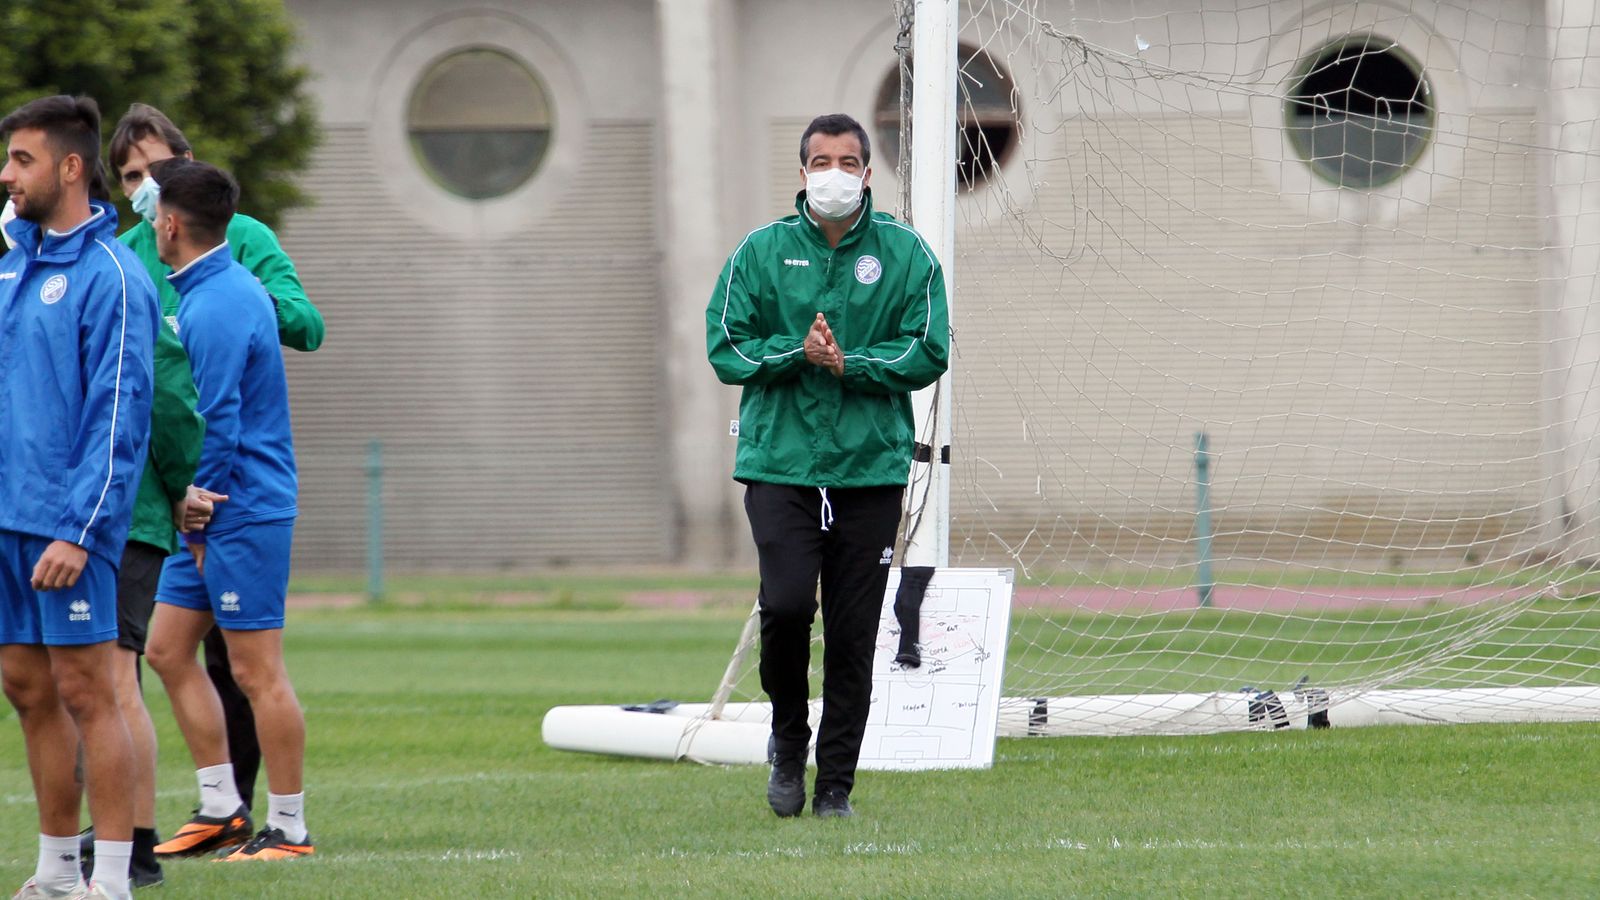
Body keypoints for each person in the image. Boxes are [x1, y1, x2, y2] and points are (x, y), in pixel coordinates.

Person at [705, 113, 950, 818]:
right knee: (784, 607)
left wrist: (852, 364)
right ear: (802, 172)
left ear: (869, 174)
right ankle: (788, 738)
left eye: (848, 161)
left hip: (869, 470)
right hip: (779, 465)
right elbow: (726, 343)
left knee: (851, 635)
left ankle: (834, 787)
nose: (834, 173)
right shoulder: (760, 251)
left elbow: (928, 348)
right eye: (822, 161)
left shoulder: (908, 256)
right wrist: (796, 353)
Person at [106, 103, 323, 845]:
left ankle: (289, 828)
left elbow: (218, 417)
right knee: (167, 650)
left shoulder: (220, 300)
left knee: (257, 671)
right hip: (207, 505)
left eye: (151, 195)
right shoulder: (200, 289)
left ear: (168, 223)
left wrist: (194, 504)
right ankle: (221, 807)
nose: (142, 206)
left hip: (239, 504)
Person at [0, 94, 160, 900]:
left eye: (21, 159)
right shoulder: (9, 263)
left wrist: (81, 530)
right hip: (6, 523)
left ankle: (114, 879)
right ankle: (57, 871)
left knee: (89, 690)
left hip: (69, 529)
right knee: (27, 688)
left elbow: (118, 418)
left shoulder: (114, 276)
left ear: (69, 167)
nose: (5, 175)